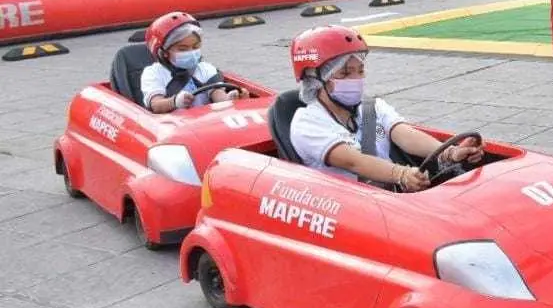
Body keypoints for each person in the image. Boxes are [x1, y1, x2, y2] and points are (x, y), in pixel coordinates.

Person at [288, 26, 482, 191]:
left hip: (385, 199)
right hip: (349, 209)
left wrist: (449, 153)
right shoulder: (307, 123)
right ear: (315, 79)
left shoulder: (370, 109)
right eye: (345, 73)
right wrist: (401, 174)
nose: (356, 80)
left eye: (360, 71)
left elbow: (405, 135)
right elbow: (353, 161)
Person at [141, 12, 242, 113]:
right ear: (164, 52)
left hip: (206, 120)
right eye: (183, 49)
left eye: (195, 47)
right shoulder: (153, 73)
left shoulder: (205, 68)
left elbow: (217, 93)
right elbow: (155, 105)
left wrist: (229, 100)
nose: (191, 52)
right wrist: (174, 102)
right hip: (174, 124)